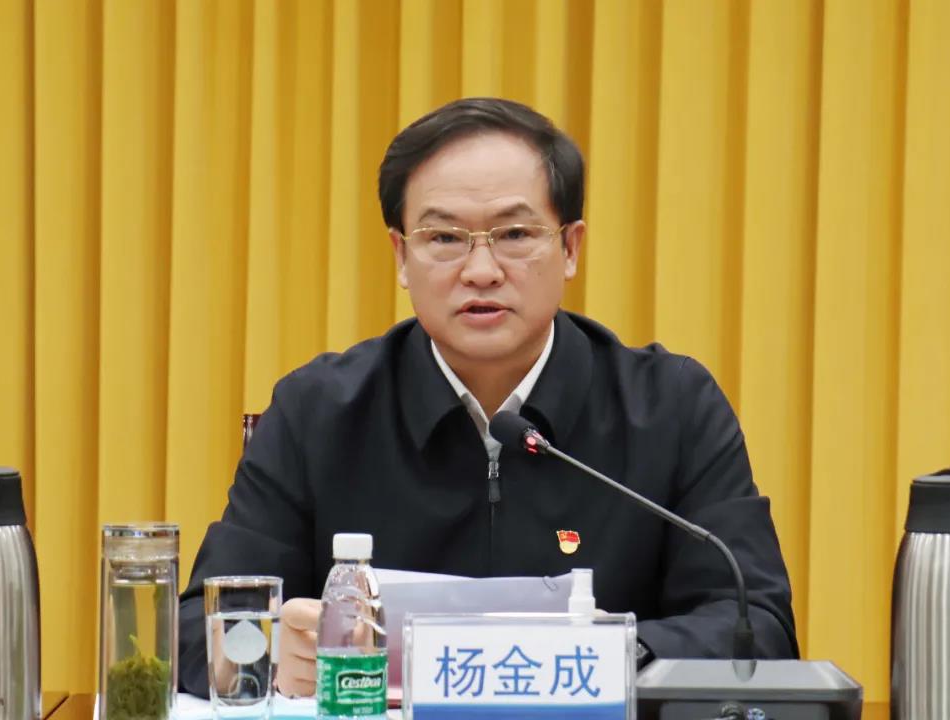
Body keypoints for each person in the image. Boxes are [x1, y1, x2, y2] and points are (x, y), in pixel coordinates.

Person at [177, 97, 799, 697]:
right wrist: (269, 658)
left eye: (515, 233)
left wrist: (598, 659)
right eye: (444, 238)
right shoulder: (319, 412)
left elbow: (758, 631)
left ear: (571, 248)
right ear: (401, 255)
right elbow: (193, 630)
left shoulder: (671, 408)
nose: (481, 271)